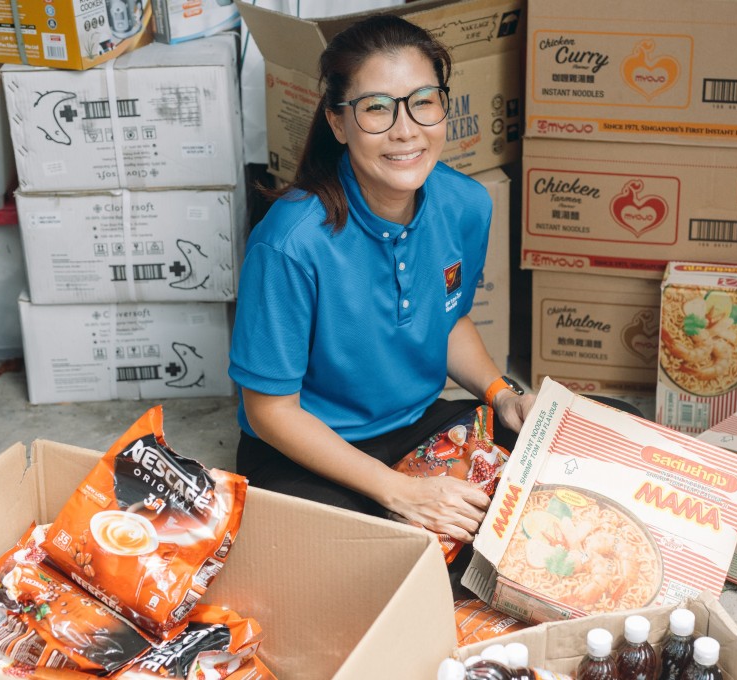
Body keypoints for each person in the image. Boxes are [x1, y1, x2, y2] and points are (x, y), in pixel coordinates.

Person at [228, 14, 536, 546]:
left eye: (423, 101)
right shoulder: (290, 242)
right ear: (338, 123)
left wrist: (502, 394)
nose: (406, 129)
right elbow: (269, 410)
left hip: (416, 424)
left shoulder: (465, 204)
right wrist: (400, 492)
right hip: (311, 451)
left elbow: (450, 318)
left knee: (573, 451)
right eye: (376, 108)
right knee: (370, 561)